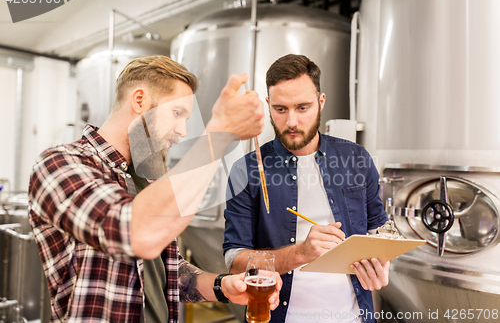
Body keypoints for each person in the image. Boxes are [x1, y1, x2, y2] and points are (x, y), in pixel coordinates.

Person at [28, 55, 281, 322]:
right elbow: (138, 234)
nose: (183, 130)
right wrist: (218, 135)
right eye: (177, 113)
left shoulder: (147, 179)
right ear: (139, 101)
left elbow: (172, 272)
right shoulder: (60, 164)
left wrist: (223, 286)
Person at [223, 54, 390, 323]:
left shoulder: (357, 158)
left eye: (302, 108)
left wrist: (382, 262)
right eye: (280, 109)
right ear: (268, 105)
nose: (291, 122)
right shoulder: (247, 170)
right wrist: (301, 253)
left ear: (321, 102)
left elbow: (379, 230)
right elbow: (234, 259)